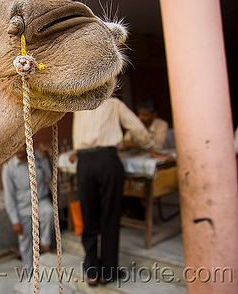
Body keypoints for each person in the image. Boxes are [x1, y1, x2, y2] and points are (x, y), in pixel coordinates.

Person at [69, 97, 171, 286]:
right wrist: (152, 150)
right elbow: (137, 127)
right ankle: (108, 272)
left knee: (89, 217)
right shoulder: (113, 104)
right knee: (110, 217)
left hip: (85, 164)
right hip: (107, 161)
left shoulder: (80, 104)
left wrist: (79, 150)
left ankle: (92, 272)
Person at [2, 144, 54, 271]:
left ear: (28, 146)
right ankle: (30, 271)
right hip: (23, 208)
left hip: (41, 201)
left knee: (49, 212)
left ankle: (45, 243)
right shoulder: (9, 168)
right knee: (26, 242)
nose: (19, 150)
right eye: (16, 147)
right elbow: (9, 196)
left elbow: (51, 175)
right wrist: (15, 220)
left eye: (22, 146)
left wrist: (48, 159)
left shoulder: (39, 158)